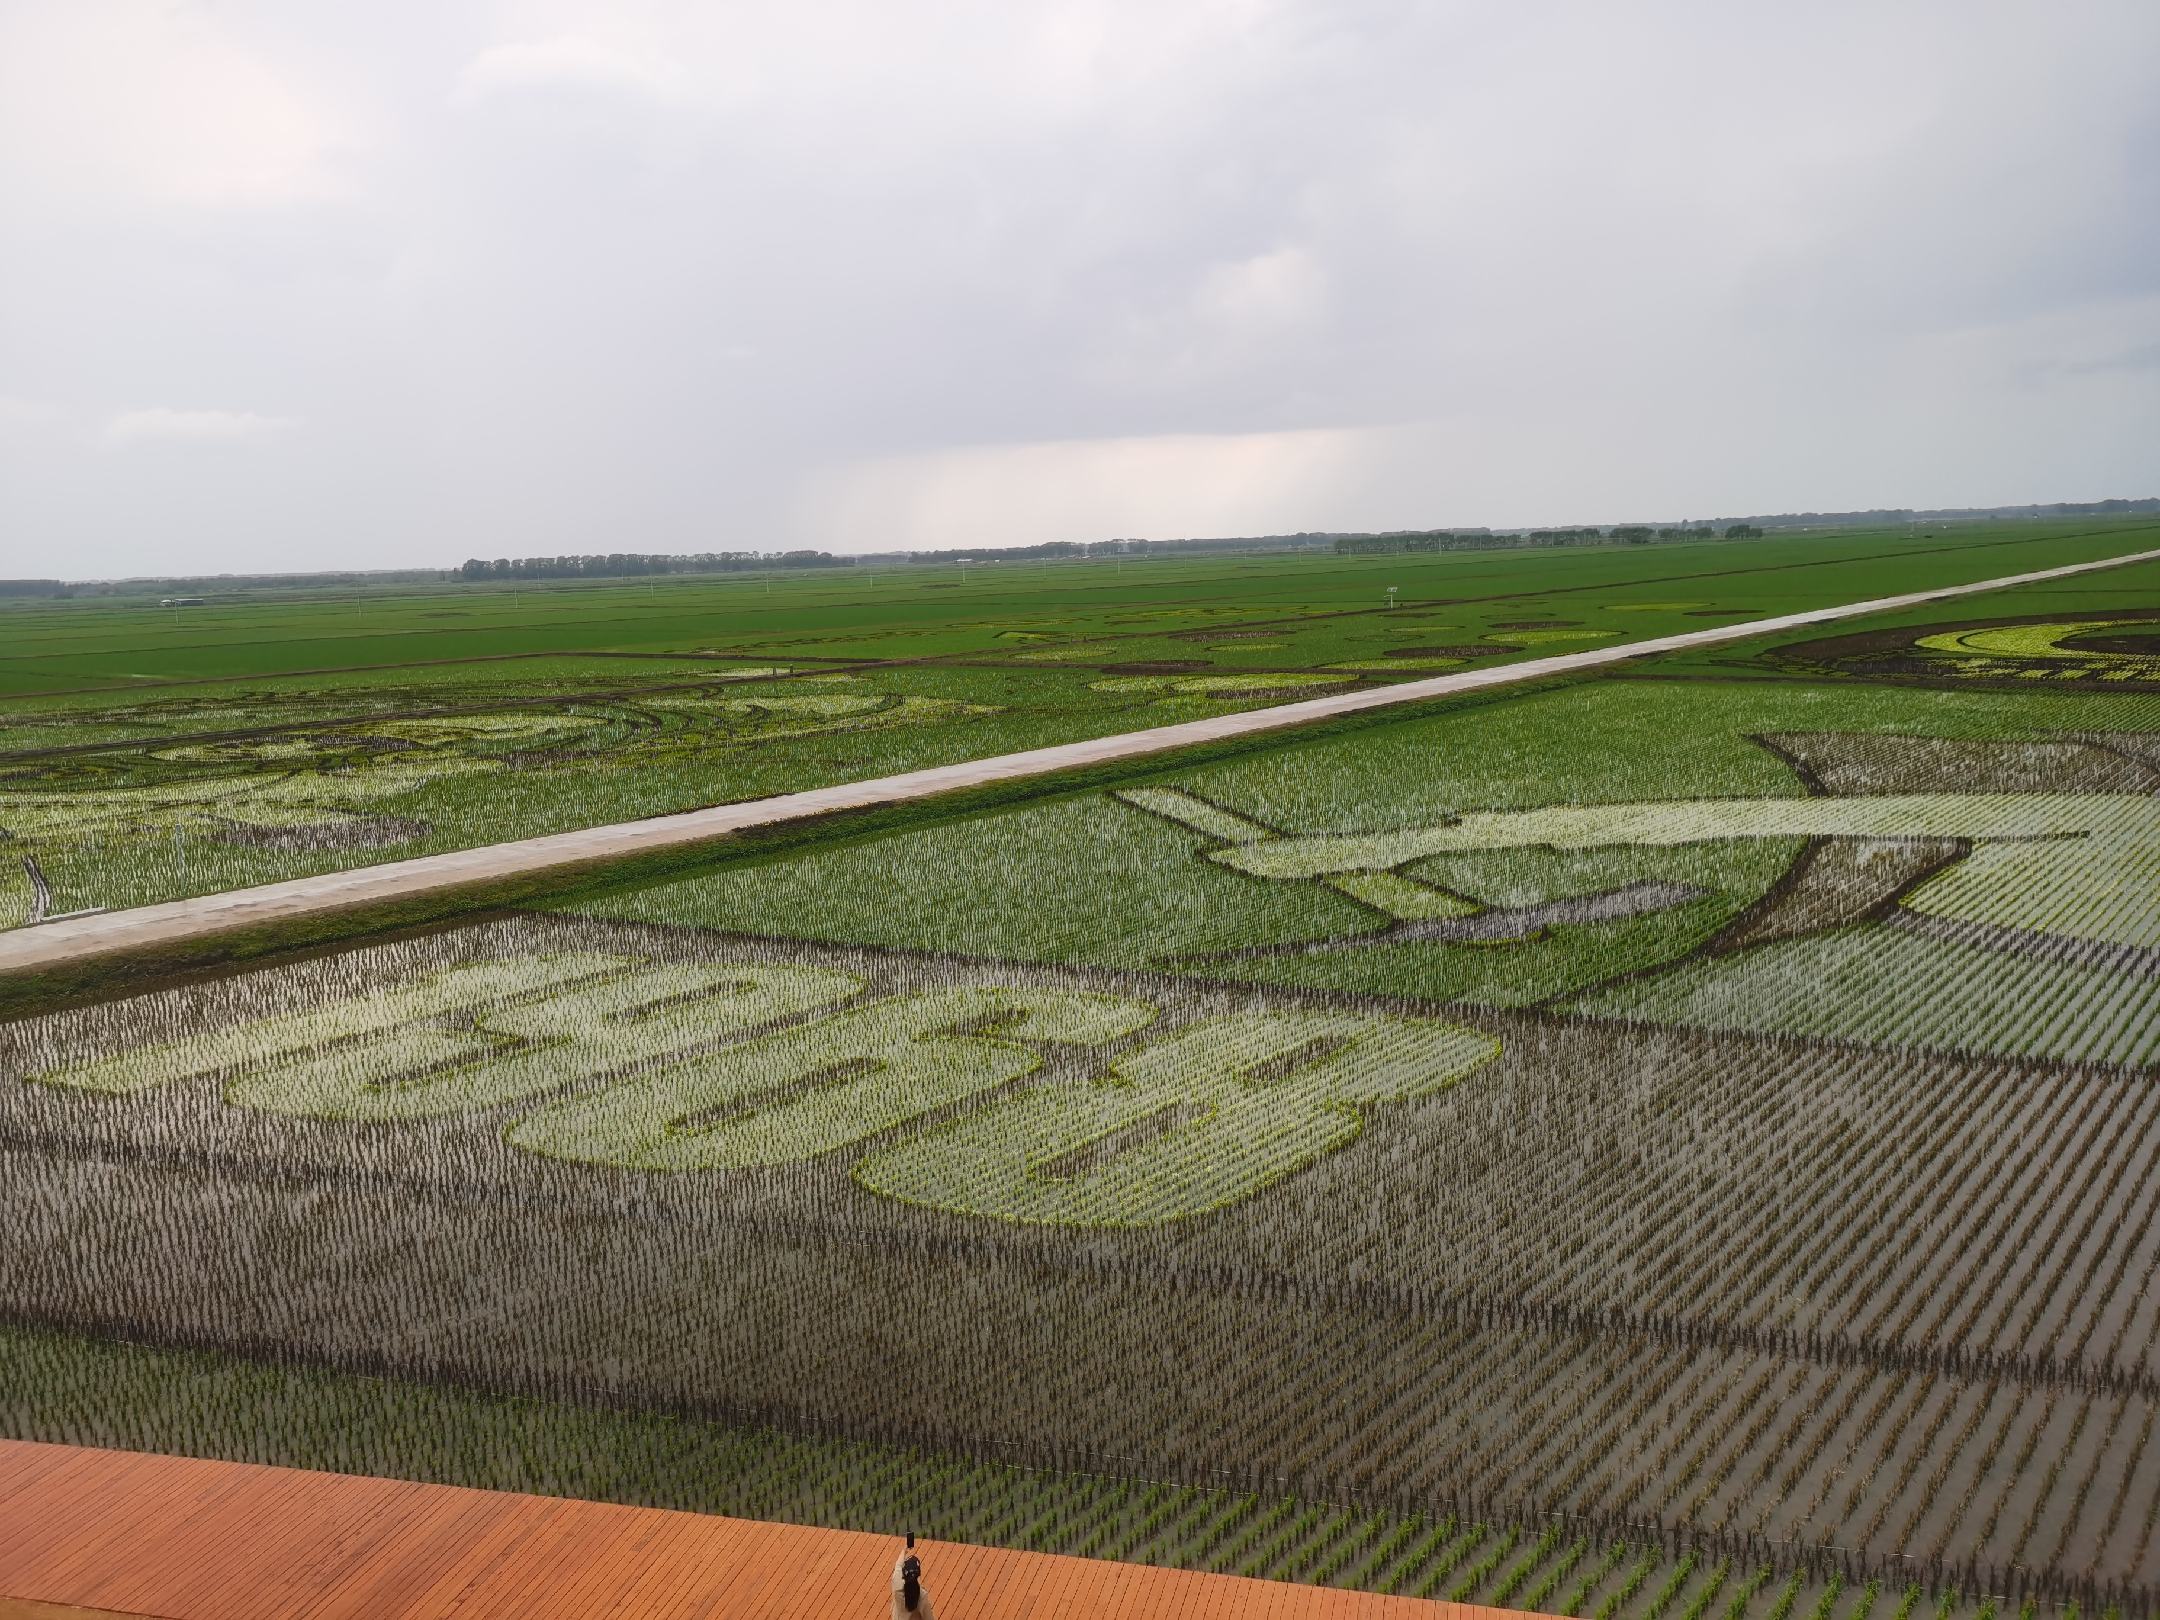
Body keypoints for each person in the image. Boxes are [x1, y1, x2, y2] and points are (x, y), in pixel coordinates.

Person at [890, 1547, 936, 1618]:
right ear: (918, 1575)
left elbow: (898, 1566)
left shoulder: (897, 1586)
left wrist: (904, 1550)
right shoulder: (922, 1596)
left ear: (904, 1573)